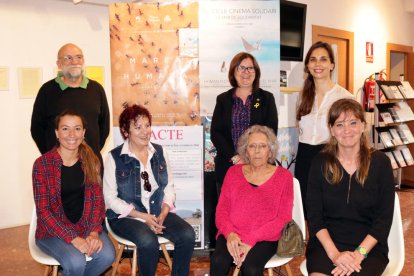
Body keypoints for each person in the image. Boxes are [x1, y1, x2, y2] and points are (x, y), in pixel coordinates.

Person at [103, 104, 195, 276]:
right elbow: (110, 199)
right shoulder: (114, 158)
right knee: (148, 241)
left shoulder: (160, 152)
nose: (144, 131)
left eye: (147, 125)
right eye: (137, 127)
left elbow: (169, 187)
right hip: (126, 217)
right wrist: (142, 217)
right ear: (125, 131)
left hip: (156, 213)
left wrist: (164, 212)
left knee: (187, 235)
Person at [306, 98, 395, 276]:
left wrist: (358, 255)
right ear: (332, 130)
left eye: (353, 122)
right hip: (326, 245)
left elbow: (383, 221)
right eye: (339, 124)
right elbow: (315, 217)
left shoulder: (381, 163)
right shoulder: (319, 163)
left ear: (363, 125)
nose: (347, 130)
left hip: (368, 248)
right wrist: (335, 255)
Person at [32, 110, 115, 276]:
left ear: (83, 132)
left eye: (77, 129)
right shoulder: (42, 165)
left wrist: (93, 233)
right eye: (65, 129)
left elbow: (98, 202)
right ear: (56, 133)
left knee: (107, 256)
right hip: (52, 231)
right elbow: (43, 212)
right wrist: (73, 239)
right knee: (76, 261)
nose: (71, 134)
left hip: (85, 227)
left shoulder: (92, 161)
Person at [210, 125, 293, 276]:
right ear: (245, 150)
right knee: (218, 260)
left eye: (262, 146)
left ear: (270, 151)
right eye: (252, 146)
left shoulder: (284, 177)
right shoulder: (233, 173)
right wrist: (230, 234)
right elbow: (222, 210)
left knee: (251, 269)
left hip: (265, 237)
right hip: (233, 232)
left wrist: (251, 239)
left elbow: (283, 218)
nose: (257, 151)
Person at [295, 41, 353, 217]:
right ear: (307, 66)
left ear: (332, 65)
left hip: (331, 156)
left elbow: (351, 136)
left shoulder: (344, 97)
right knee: (306, 207)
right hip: (305, 157)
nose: (317, 64)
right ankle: (312, 244)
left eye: (323, 59)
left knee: (329, 208)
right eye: (313, 60)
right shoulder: (302, 95)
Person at [211, 52, 278, 196]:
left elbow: (270, 132)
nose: (246, 72)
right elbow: (216, 133)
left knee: (260, 213)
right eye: (241, 68)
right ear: (233, 72)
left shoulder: (266, 98)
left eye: (250, 68)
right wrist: (236, 157)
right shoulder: (223, 99)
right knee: (229, 214)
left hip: (259, 167)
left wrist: (250, 157)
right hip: (229, 166)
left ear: (256, 72)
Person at [31, 43, 110, 164]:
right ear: (59, 64)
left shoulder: (96, 89)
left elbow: (104, 128)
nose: (75, 62)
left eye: (79, 57)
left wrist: (90, 153)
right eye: (68, 58)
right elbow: (37, 129)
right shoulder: (47, 91)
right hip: (56, 165)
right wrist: (52, 155)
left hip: (91, 165)